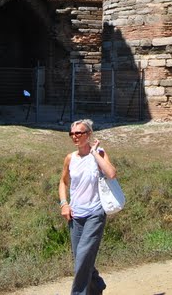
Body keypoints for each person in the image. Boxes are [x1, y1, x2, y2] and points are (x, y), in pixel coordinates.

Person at [59, 119, 117, 295]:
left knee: (83, 256)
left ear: (89, 134)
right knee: (81, 259)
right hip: (75, 215)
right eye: (72, 134)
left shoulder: (98, 153)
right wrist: (64, 204)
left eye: (79, 133)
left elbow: (112, 173)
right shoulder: (70, 158)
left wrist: (94, 153)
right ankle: (97, 284)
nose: (75, 137)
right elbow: (63, 182)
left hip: (95, 213)